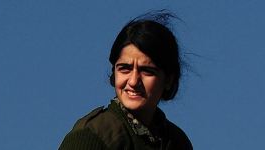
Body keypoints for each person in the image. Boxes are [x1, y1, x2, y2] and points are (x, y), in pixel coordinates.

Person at [59, 10, 193, 150]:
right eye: (125, 68)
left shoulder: (177, 142)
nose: (133, 81)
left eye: (147, 71)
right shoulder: (92, 136)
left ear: (168, 80)